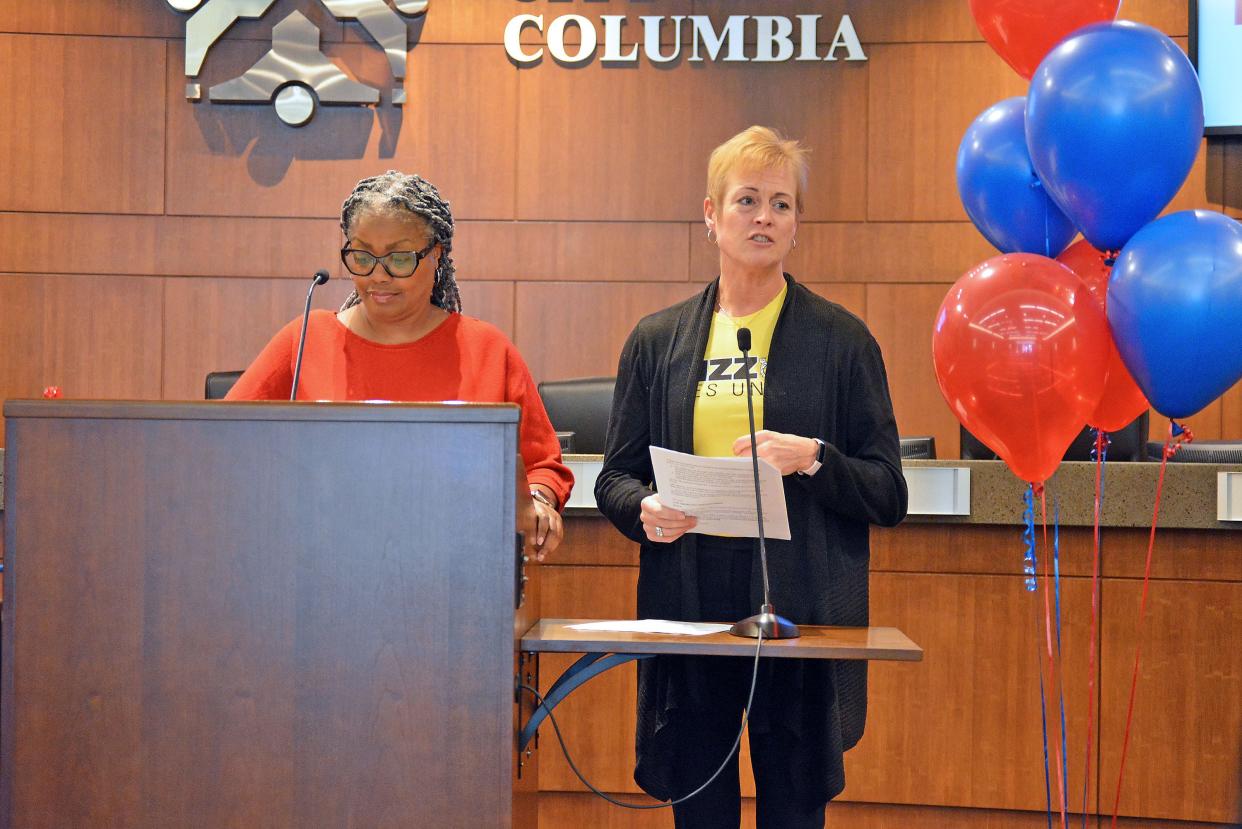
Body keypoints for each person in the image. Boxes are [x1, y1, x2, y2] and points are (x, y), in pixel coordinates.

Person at [594, 126, 908, 827]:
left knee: (792, 808)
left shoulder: (841, 340)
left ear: (797, 225)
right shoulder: (658, 339)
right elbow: (613, 476)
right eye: (746, 200)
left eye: (781, 204)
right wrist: (644, 507)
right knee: (701, 806)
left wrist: (815, 457)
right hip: (690, 596)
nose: (763, 217)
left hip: (797, 605)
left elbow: (888, 489)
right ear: (710, 214)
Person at [227, 171, 571, 555]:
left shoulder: (486, 349)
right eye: (361, 256)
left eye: (399, 259)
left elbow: (543, 465)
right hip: (316, 560)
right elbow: (222, 443)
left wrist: (539, 503)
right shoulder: (306, 339)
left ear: (436, 253)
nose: (378, 275)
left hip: (456, 562)